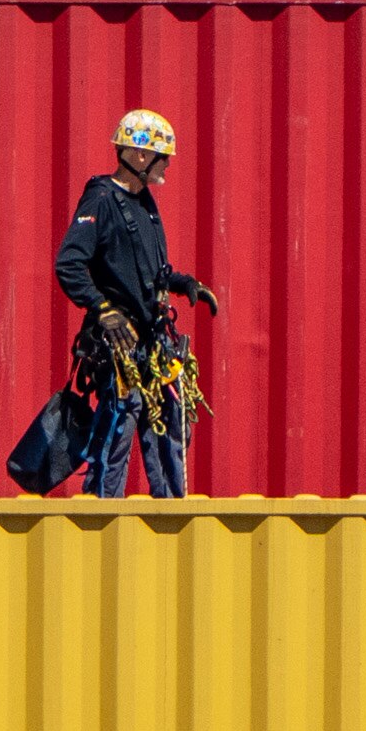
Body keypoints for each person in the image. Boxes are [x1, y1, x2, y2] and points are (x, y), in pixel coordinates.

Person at [54, 109, 221, 499]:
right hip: (121, 347)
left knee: (169, 425)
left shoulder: (143, 202)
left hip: (152, 344)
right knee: (120, 422)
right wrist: (102, 309)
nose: (167, 166)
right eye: (163, 157)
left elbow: (145, 269)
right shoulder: (101, 199)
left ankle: (172, 514)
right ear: (140, 155)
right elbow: (69, 264)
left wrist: (182, 283)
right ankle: (102, 515)